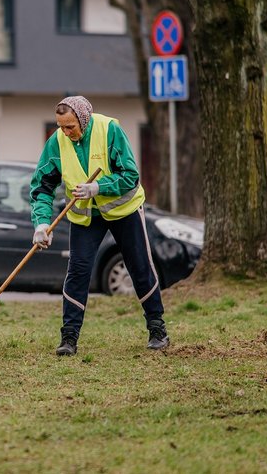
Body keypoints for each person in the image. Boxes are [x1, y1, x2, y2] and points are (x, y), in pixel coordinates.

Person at [30, 95, 169, 356]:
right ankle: (69, 338)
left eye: (70, 126)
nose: (66, 132)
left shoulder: (109, 130)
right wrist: (41, 223)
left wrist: (98, 187)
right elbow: (42, 186)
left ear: (83, 119)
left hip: (123, 210)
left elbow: (130, 175)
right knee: (78, 272)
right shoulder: (57, 141)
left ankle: (157, 329)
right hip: (86, 216)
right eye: (61, 126)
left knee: (139, 266)